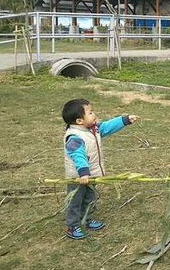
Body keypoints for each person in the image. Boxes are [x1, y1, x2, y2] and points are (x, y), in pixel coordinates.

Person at [61, 98, 138, 240]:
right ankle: (72, 225)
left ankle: (88, 219)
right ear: (79, 121)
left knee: (90, 197)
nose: (94, 114)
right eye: (90, 113)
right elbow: (78, 157)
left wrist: (125, 120)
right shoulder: (75, 137)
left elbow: (108, 127)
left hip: (91, 175)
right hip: (78, 177)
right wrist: (83, 174)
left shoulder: (92, 129)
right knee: (75, 200)